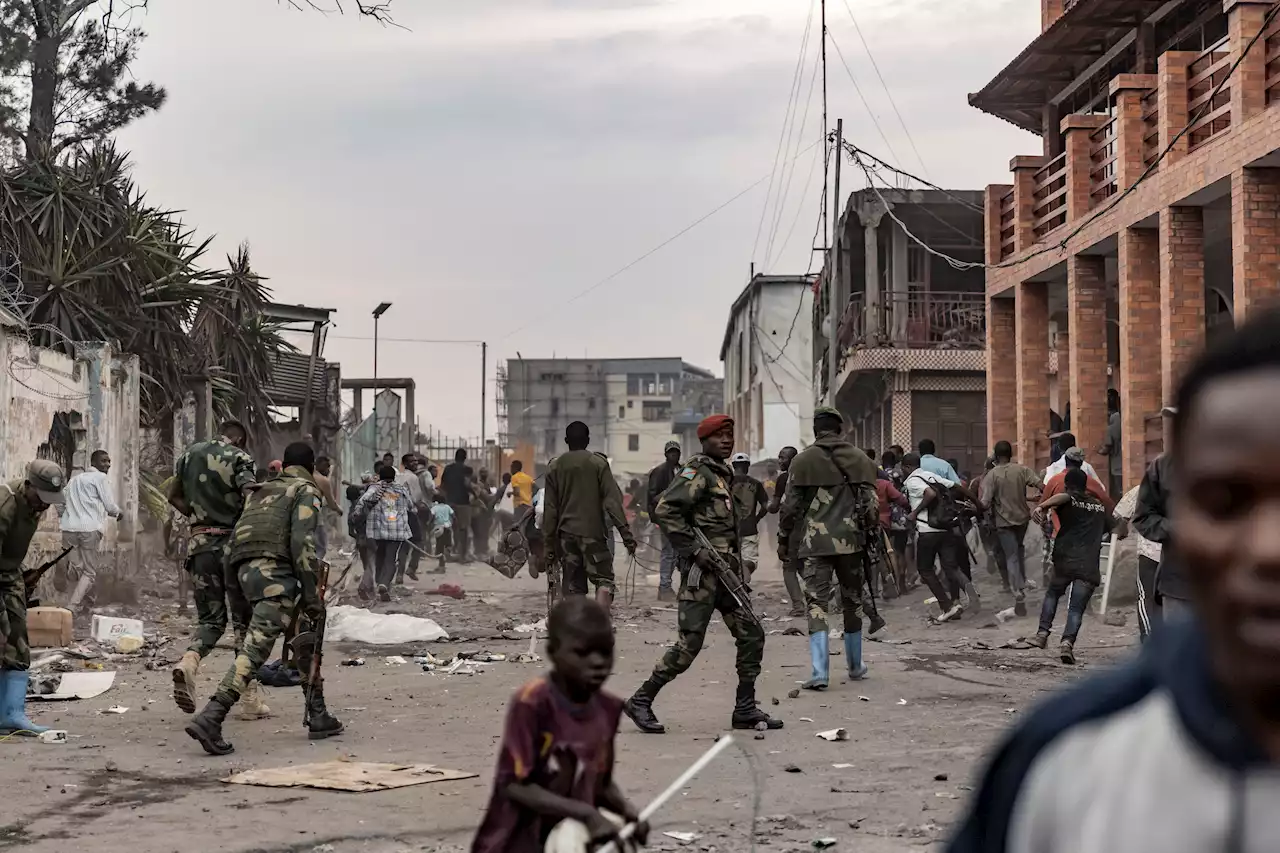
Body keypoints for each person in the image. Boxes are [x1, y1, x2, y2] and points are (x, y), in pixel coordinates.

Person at [946, 305, 1280, 853]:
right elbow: (1124, 515)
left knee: (1055, 596)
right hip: (1095, 567)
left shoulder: (1059, 482)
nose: (1269, 549)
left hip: (1065, 560)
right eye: (1227, 502)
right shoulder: (1066, 760)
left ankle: (1047, 629)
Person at [622, 415, 781, 735]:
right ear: (704, 440)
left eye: (730, 435)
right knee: (689, 644)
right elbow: (667, 509)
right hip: (702, 574)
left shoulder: (722, 475)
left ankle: (745, 708)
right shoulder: (698, 471)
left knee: (752, 634)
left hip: (726, 574)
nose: (726, 440)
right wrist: (694, 549)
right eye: (719, 435)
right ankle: (641, 700)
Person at [184, 442, 343, 756]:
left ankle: (318, 713)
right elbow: (302, 543)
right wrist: (312, 595)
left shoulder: (262, 490)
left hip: (240, 570)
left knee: (304, 639)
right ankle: (212, 717)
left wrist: (234, 588)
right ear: (311, 467)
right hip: (274, 574)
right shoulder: (306, 491)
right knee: (257, 649)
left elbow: (239, 535)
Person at [471, 597, 645, 853]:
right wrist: (586, 814)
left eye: (605, 651)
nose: (597, 662)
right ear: (553, 652)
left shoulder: (607, 709)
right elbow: (513, 784)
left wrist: (625, 808)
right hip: (518, 840)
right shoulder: (532, 703)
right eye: (581, 653)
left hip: (569, 836)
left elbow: (600, 781)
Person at [168, 421, 267, 719]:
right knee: (243, 623)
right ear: (238, 437)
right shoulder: (239, 458)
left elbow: (173, 497)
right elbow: (250, 493)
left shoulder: (188, 456)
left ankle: (189, 661)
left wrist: (199, 518)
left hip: (199, 546)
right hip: (233, 547)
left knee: (211, 620)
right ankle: (249, 699)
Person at [778, 407, 880, 690]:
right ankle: (856, 666)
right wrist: (869, 532)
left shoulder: (801, 461)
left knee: (817, 605)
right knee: (852, 602)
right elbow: (872, 506)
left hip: (815, 544)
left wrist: (784, 539)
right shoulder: (859, 458)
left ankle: (820, 672)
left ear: (815, 429)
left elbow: (789, 508)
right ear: (840, 428)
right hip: (852, 543)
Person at [0, 460, 66, 736]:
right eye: (41, 498)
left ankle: (11, 715)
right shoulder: (5, 504)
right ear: (28, 486)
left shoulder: (34, 503)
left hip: (8, 572)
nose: (45, 505)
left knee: (16, 637)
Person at [543, 422, 637, 612]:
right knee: (604, 580)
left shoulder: (554, 467)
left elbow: (550, 509)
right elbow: (612, 503)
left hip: (566, 536)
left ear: (566, 441)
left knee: (574, 585)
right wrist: (626, 536)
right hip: (592, 533)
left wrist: (548, 545)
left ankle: (578, 624)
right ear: (587, 440)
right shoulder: (598, 463)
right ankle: (601, 621)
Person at [1028, 467, 1112, 664]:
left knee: (1053, 594)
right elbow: (1119, 527)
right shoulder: (1099, 506)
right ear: (1085, 486)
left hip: (1065, 560)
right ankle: (1067, 643)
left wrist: (1041, 507)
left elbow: (1063, 499)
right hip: (1088, 564)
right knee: (1076, 608)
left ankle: (1042, 634)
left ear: (1067, 485)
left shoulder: (1068, 499)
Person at [901, 452, 969, 622]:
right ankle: (962, 597)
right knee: (951, 567)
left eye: (903, 468)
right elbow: (957, 487)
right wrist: (978, 503)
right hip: (945, 529)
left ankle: (947, 606)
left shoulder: (913, 481)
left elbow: (930, 494)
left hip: (927, 531)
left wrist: (914, 513)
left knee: (925, 570)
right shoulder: (931, 476)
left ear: (908, 467)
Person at [979, 440, 1043, 616]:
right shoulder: (1022, 470)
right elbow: (1041, 485)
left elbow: (985, 503)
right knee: (1019, 550)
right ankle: (1021, 582)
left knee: (1012, 556)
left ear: (995, 455)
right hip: (1022, 519)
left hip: (1004, 522)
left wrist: (975, 506)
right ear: (1011, 453)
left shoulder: (992, 476)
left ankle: (1018, 592)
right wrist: (1037, 500)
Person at [58, 450, 122, 612]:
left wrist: (65, 516)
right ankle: (71, 607)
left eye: (109, 461)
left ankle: (85, 601)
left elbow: (60, 501)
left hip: (69, 528)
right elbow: (109, 506)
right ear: (94, 462)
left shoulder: (74, 480)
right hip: (90, 529)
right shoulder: (100, 478)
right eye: (104, 461)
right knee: (89, 572)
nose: (108, 465)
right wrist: (119, 513)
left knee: (77, 568)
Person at [355, 465, 414, 602]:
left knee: (380, 556)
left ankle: (380, 582)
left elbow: (361, 504)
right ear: (394, 476)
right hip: (397, 529)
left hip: (378, 530)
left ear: (380, 476)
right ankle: (384, 583)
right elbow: (411, 506)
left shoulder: (374, 489)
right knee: (391, 558)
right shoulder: (401, 489)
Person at [767, 445, 805, 617]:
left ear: (792, 460)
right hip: (810, 527)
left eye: (783, 457)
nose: (780, 460)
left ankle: (798, 606)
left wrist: (767, 506)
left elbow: (776, 507)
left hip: (792, 528)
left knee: (789, 566)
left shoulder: (784, 478)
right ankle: (826, 594)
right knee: (803, 565)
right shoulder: (806, 476)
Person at [646, 441, 682, 602]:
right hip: (666, 517)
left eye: (676, 452)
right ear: (666, 454)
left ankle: (674, 586)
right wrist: (669, 494)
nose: (674, 455)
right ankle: (665, 587)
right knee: (668, 552)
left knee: (679, 553)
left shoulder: (682, 471)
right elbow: (652, 496)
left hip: (681, 518)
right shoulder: (659, 471)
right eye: (671, 452)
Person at [729, 453, 768, 579]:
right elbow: (765, 506)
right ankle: (744, 575)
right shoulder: (756, 484)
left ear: (733, 466)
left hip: (729, 529)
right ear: (748, 466)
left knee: (730, 561)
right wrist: (756, 519)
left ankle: (736, 583)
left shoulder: (725, 483)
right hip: (749, 528)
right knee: (750, 561)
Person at [395, 454, 428, 583]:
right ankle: (412, 568)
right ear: (405, 464)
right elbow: (416, 499)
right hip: (409, 513)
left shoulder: (399, 477)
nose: (415, 463)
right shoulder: (413, 478)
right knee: (418, 541)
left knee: (404, 544)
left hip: (398, 514)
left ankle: (399, 575)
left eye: (415, 461)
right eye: (412, 462)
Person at [441, 449, 475, 562]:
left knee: (449, 528)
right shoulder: (467, 470)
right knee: (463, 529)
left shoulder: (448, 469)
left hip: (450, 502)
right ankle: (462, 556)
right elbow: (467, 484)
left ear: (455, 457)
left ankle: (447, 554)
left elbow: (443, 486)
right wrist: (475, 493)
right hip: (463, 503)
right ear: (465, 458)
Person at [1098, 389, 1123, 498]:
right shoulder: (1121, 419)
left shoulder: (1113, 423)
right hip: (1124, 463)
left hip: (1117, 466)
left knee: (1118, 492)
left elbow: (1107, 447)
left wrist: (1097, 450)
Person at [430, 498, 455, 571]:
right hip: (447, 527)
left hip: (439, 528)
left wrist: (429, 523)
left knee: (440, 547)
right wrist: (452, 522)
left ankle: (441, 565)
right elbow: (453, 515)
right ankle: (447, 554)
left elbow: (432, 516)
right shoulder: (447, 507)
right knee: (448, 544)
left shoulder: (435, 507)